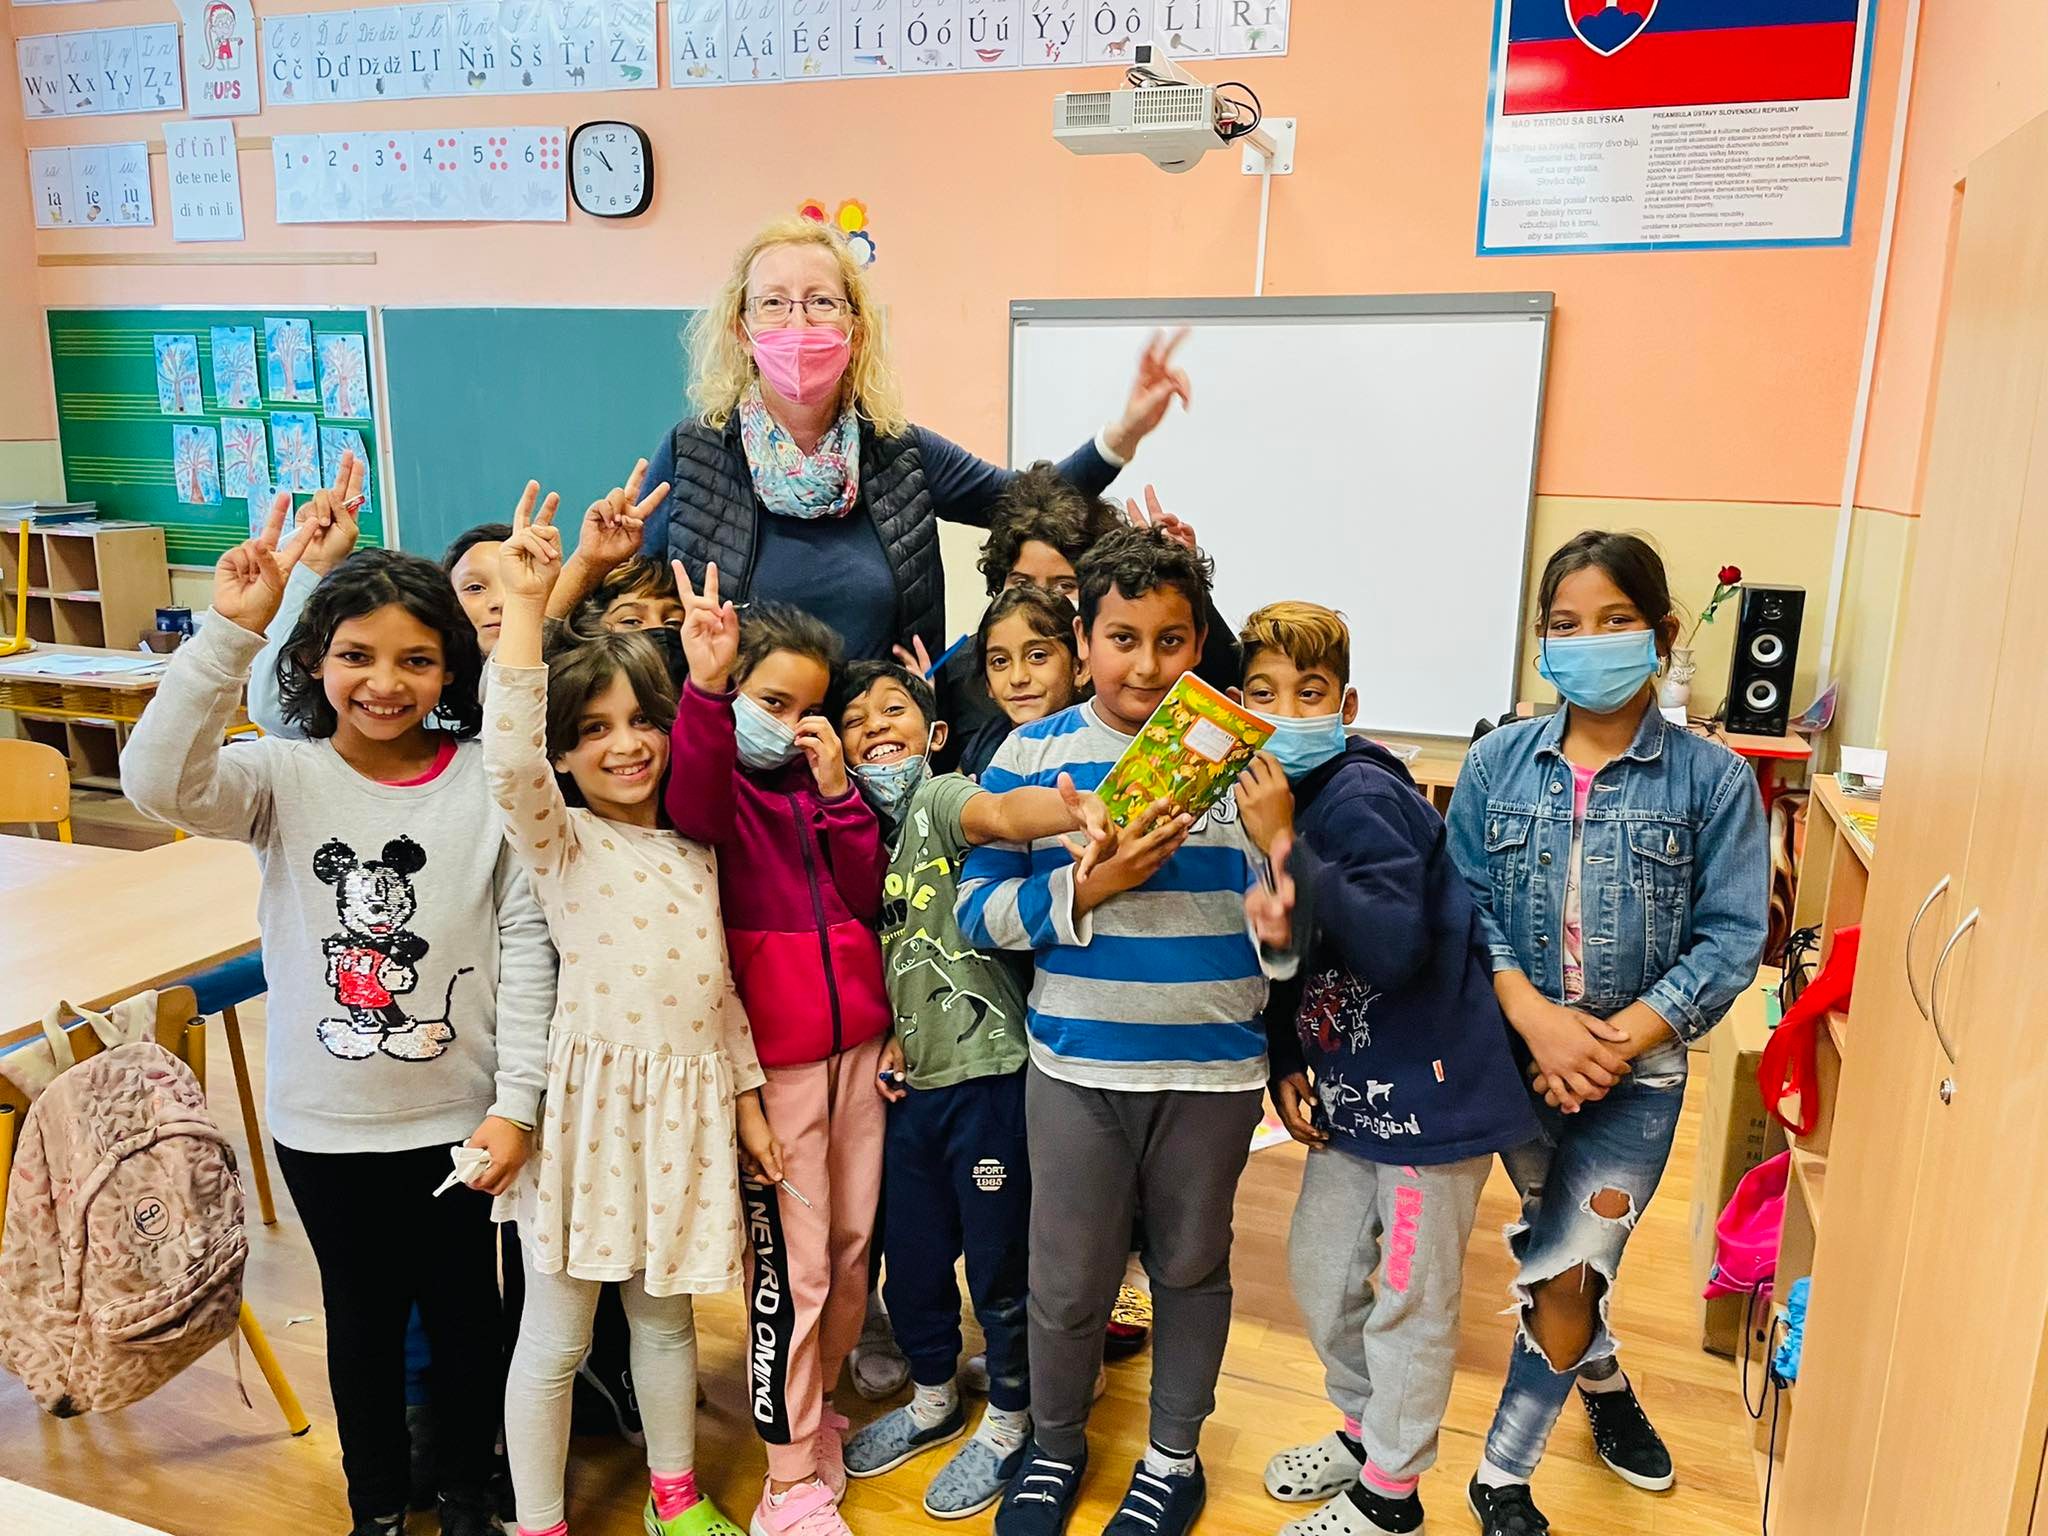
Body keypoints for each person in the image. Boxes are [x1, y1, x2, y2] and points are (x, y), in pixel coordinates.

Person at [120, 469, 553, 1536]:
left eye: (417, 659)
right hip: (327, 1127)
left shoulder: (483, 780)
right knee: (362, 1327)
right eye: (356, 655)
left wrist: (518, 1105)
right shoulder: (279, 775)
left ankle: (467, 1493)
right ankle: (377, 1510)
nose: (385, 682)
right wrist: (231, 634)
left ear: (451, 668)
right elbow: (157, 784)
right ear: (315, 659)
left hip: (463, 1123)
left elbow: (525, 949)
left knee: (470, 1319)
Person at [957, 527, 1295, 1536]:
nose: (1146, 665)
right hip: (1076, 1067)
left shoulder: (1244, 762)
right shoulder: (1031, 754)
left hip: (1213, 1072)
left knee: (1191, 1268)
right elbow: (977, 913)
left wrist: (1282, 867)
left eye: (1171, 640)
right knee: (1065, 1280)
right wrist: (1087, 888)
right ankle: (1054, 1446)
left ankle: (1171, 1459)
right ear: (1082, 640)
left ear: (1199, 643)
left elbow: (1291, 947)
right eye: (1120, 638)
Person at [1443, 532, 1768, 1536]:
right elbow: (1461, 905)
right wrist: (1538, 1024)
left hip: (1638, 1079)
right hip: (1517, 1067)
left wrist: (1612, 1042)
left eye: (1615, 620)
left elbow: (1731, 938)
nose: (1589, 641)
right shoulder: (1494, 763)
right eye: (1566, 625)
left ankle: (1501, 1477)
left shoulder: (1713, 781)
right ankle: (1605, 1381)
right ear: (1542, 642)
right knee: (1564, 1249)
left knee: (1572, 1265)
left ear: (1661, 635)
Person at [484, 485, 769, 1536]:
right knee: (556, 1344)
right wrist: (529, 603)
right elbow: (508, 757)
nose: (625, 744)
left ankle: (674, 1498)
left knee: (667, 1329)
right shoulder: (559, 841)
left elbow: (716, 989)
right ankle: (540, 1520)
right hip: (588, 1126)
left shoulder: (696, 844)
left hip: (683, 1121)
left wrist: (745, 1103)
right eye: (594, 729)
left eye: (644, 721)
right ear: (563, 754)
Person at [1237, 603, 1537, 1536]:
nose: (1287, 711)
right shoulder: (1280, 802)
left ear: (1347, 704)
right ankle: (1367, 1432)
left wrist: (1285, 845)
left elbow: (1396, 946)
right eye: (1263, 693)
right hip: (1352, 1097)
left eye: (1310, 693)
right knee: (1321, 1270)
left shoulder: (1358, 796)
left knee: (1412, 1300)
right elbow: (1297, 946)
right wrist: (1287, 1055)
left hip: (1430, 1108)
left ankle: (1392, 1495)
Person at [638, 216, 1192, 663]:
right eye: (774, 303)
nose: (798, 324)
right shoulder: (692, 453)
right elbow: (629, 601)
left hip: (879, 744)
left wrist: (1124, 433)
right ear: (742, 329)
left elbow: (1030, 500)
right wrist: (598, 562)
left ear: (856, 331)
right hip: (727, 744)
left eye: (821, 302)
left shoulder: (901, 452)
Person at [831, 660, 1112, 1520]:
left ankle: (1011, 1421)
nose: (876, 728)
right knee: (913, 1261)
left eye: (894, 710)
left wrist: (1070, 810)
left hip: (990, 1079)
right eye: (856, 720)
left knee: (998, 1266)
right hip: (909, 1090)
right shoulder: (853, 834)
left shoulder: (940, 798)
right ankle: (932, 1399)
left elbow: (999, 814)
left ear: (935, 733)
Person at [661, 572, 887, 1536]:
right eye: (772, 702)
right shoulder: (720, 790)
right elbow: (694, 802)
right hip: (776, 1067)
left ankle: (816, 1409)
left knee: (851, 1252)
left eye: (809, 709)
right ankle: (787, 1480)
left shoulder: (823, 788)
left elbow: (868, 891)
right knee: (791, 1275)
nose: (791, 726)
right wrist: (708, 688)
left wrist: (838, 794)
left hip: (860, 1051)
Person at [933, 473, 1240, 774]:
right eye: (1022, 583)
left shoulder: (1145, 674)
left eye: (1064, 585)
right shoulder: (969, 669)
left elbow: (1229, 678)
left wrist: (1176, 578)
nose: (1040, 599)